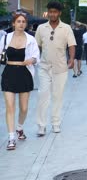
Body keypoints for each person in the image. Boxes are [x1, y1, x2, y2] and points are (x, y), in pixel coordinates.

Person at [35, 1, 76, 136]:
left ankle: (56, 123)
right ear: (48, 12)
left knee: (57, 97)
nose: (52, 14)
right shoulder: (41, 28)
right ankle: (41, 125)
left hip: (60, 68)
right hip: (44, 67)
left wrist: (71, 59)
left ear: (59, 13)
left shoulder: (66, 28)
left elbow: (71, 45)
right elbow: (37, 46)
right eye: (50, 11)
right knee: (43, 96)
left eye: (55, 12)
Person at [1, 12, 40, 150]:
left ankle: (19, 127)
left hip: (25, 74)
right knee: (10, 106)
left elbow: (36, 56)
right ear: (13, 24)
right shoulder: (5, 38)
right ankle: (11, 138)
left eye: (23, 22)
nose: (21, 24)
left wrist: (32, 60)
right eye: (18, 21)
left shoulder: (31, 39)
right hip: (9, 73)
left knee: (23, 108)